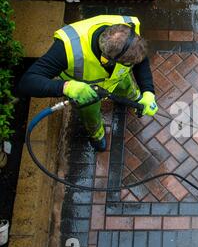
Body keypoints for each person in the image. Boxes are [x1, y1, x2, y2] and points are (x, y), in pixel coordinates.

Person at [19, 15, 158, 152]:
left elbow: (140, 60)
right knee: (90, 114)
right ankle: (97, 135)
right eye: (129, 64)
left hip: (118, 78)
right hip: (85, 91)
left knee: (128, 88)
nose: (133, 65)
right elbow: (28, 82)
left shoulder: (129, 28)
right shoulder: (66, 49)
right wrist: (66, 87)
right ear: (105, 59)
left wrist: (148, 92)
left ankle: (135, 98)